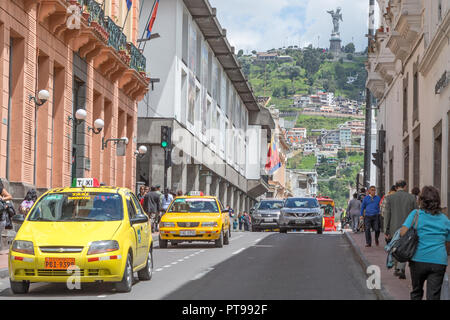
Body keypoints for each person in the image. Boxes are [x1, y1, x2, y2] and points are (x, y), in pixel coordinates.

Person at [400, 186, 450, 300]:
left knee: (416, 292)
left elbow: (403, 232)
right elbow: (448, 242)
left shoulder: (415, 214)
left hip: (418, 259)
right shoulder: (445, 219)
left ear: (421, 200)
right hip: (438, 261)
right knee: (433, 295)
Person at [384, 180, 418, 279]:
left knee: (395, 246)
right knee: (405, 246)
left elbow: (387, 215)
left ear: (396, 187)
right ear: (405, 187)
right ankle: (401, 268)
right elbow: (416, 213)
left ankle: (397, 268)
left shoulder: (389, 198)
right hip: (407, 227)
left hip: (393, 226)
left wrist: (386, 229)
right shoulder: (411, 198)